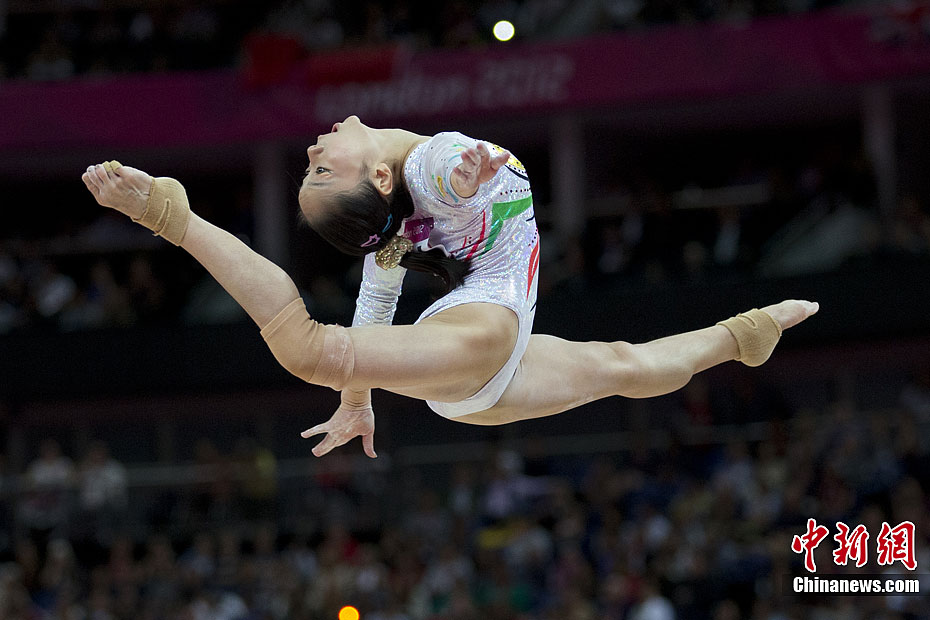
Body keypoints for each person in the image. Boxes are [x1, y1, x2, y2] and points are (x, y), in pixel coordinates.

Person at [81, 115, 818, 458]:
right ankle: (168, 214)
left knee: (625, 365)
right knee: (309, 350)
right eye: (319, 168)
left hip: (479, 371)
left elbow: (380, 294)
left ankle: (742, 336)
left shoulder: (405, 207)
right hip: (485, 334)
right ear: (376, 177)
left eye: (312, 167)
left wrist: (361, 400)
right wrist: (472, 169)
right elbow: (461, 165)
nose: (311, 149)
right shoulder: (431, 166)